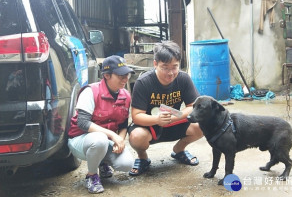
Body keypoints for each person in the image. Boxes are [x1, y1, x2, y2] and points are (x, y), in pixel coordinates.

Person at [128, 41, 204, 176]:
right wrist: (157, 120)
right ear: (155, 64)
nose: (170, 73)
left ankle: (179, 150)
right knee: (136, 136)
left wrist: (175, 117)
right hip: (150, 126)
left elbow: (194, 106)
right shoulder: (143, 82)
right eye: (165, 67)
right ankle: (142, 157)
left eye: (174, 67)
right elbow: (136, 116)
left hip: (174, 122)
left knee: (203, 123)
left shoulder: (183, 79)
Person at [68, 55, 135, 194]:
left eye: (127, 74)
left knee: (127, 164)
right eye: (120, 75)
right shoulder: (90, 91)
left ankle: (101, 162)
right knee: (100, 140)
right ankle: (92, 176)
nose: (125, 79)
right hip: (80, 140)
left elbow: (123, 124)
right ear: (106, 75)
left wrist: (120, 140)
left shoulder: (126, 95)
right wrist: (112, 136)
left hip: (103, 141)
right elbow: (82, 122)